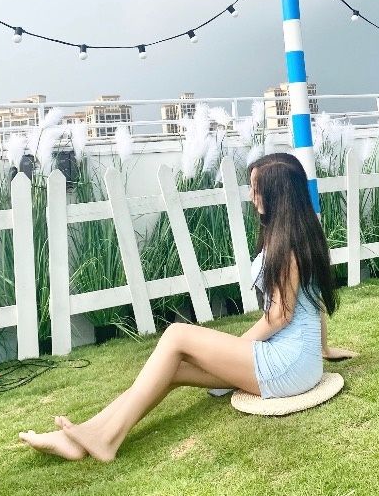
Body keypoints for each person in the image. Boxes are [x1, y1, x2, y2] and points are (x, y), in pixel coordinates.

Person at [19, 152, 357, 462]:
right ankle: (86, 437)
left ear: (278, 195)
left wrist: (236, 348)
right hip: (299, 363)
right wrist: (323, 349)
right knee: (173, 367)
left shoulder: (289, 246)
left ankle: (103, 438)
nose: (252, 197)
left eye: (257, 190)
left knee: (177, 335)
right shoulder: (303, 234)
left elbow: (280, 315)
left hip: (288, 366)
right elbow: (314, 304)